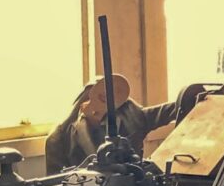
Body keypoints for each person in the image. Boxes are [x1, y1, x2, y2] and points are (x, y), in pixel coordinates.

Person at [45, 74, 178, 173]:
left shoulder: (133, 117)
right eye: (99, 97)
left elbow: (172, 109)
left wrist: (192, 96)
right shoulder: (58, 138)